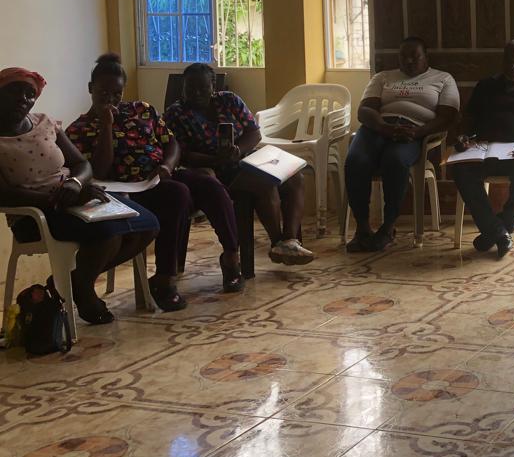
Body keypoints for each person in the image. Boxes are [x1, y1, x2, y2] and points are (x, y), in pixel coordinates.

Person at [67, 53, 245, 299]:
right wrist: (107, 126)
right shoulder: (78, 129)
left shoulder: (141, 110)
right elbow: (98, 171)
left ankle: (232, 259)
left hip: (160, 176)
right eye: (103, 93)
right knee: (177, 194)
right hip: (125, 190)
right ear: (90, 89)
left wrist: (168, 166)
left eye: (117, 93)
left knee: (210, 185)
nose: (111, 99)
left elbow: (171, 142)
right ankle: (165, 277)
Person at [0, 67, 159, 325]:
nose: (23, 99)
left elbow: (81, 164)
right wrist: (58, 199)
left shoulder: (44, 123)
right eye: (15, 91)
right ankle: (85, 294)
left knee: (147, 225)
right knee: (109, 233)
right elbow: (4, 194)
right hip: (36, 214)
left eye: (30, 94)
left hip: (73, 197)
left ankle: (76, 281)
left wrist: (74, 184)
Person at [164, 63, 314, 266]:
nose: (196, 93)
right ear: (183, 87)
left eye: (202, 87)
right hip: (212, 173)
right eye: (190, 88)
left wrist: (238, 151)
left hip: (245, 160)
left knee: (295, 176)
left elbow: (254, 132)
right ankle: (277, 242)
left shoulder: (229, 100)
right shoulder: (175, 114)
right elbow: (182, 154)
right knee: (264, 182)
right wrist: (217, 159)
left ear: (213, 86)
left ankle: (290, 240)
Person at [345, 37, 459, 252]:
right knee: (355, 160)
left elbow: (447, 116)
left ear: (426, 57)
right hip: (378, 128)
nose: (409, 61)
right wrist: (384, 128)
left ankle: (388, 228)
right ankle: (362, 228)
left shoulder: (442, 78)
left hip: (413, 131)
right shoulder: (383, 77)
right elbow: (365, 110)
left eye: (415, 57)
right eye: (403, 57)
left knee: (395, 160)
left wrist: (418, 132)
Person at [450, 39, 514, 258]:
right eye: (508, 61)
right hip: (484, 151)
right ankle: (499, 231)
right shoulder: (486, 87)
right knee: (460, 169)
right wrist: (463, 136)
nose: (512, 66)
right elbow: (469, 119)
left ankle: (496, 230)